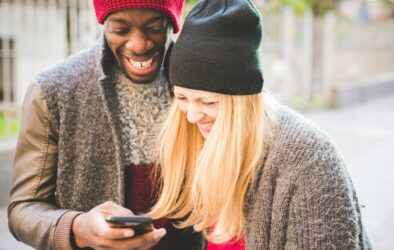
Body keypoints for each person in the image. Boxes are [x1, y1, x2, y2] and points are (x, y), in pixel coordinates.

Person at [148, 0, 371, 249]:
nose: (192, 116)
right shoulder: (193, 138)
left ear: (243, 100)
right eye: (182, 98)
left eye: (208, 102)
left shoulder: (309, 159)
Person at [8, 0, 202, 249]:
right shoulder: (52, 92)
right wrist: (78, 227)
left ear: (172, 24)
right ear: (103, 24)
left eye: (154, 28)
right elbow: (22, 209)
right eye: (121, 30)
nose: (139, 44)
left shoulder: (204, 86)